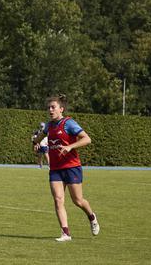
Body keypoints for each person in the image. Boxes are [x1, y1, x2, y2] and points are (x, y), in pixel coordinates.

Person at [33, 94, 100, 242]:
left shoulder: (69, 123)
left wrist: (70, 147)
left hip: (71, 167)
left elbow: (87, 139)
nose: (50, 110)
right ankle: (65, 233)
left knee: (78, 200)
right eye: (49, 108)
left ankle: (91, 217)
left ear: (61, 109)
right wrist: (35, 143)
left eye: (53, 107)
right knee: (58, 200)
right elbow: (39, 138)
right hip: (55, 169)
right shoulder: (49, 126)